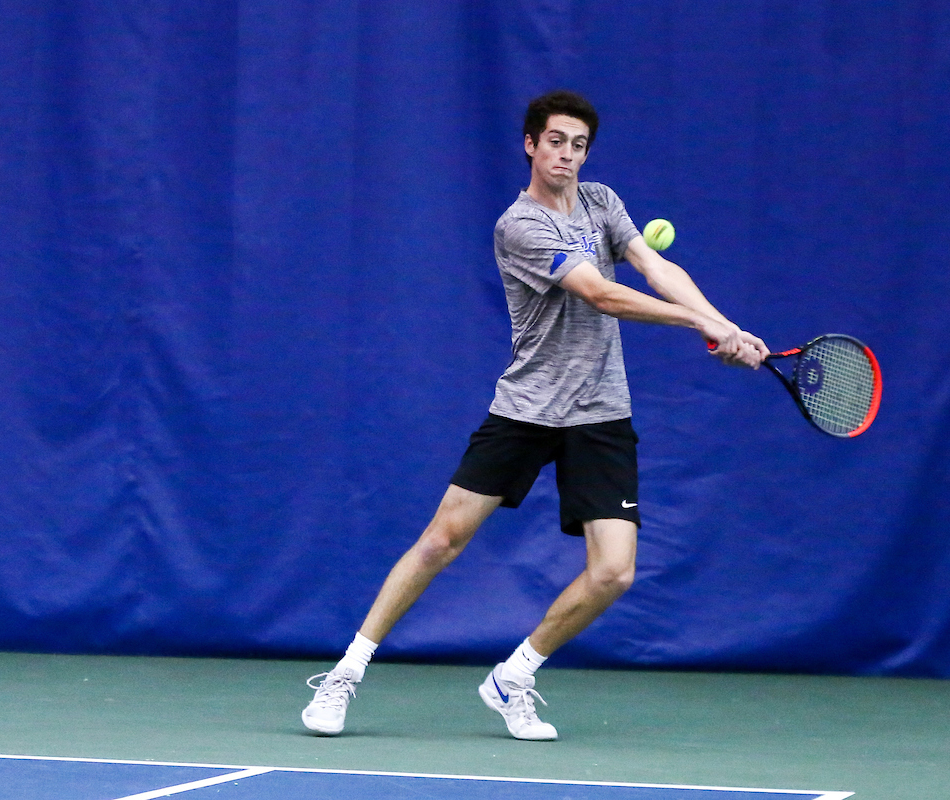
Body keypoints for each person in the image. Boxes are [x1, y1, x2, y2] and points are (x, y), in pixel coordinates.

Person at [302, 90, 768, 740]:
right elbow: (602, 294)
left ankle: (514, 675)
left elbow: (655, 265)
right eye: (556, 141)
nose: (568, 155)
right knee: (441, 542)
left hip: (601, 411)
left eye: (578, 145)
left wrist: (726, 327)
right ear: (531, 144)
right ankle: (346, 674)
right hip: (527, 408)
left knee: (615, 572)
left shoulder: (602, 202)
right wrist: (700, 324)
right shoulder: (518, 225)